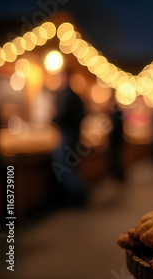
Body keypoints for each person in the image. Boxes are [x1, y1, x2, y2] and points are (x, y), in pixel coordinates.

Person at [51, 70, 89, 206]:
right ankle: (77, 198)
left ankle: (82, 194)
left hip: (66, 136)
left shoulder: (66, 96)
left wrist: (52, 118)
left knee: (64, 168)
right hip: (75, 136)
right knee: (70, 168)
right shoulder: (77, 97)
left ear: (65, 77)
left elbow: (62, 117)